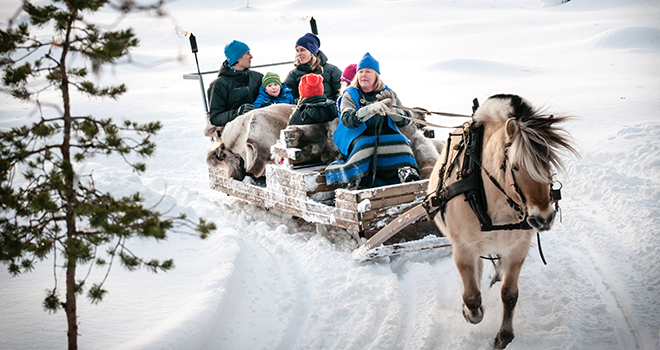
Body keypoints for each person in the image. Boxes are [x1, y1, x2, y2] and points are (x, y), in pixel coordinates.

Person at [325, 52, 420, 189]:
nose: (363, 75)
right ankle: (355, 178)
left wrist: (393, 111)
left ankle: (406, 173)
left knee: (401, 140)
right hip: (355, 135)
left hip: (384, 133)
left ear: (376, 75)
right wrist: (369, 110)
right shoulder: (350, 94)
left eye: (368, 71)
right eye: (361, 71)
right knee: (364, 145)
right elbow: (347, 120)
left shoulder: (387, 92)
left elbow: (405, 120)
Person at [207, 40, 263, 127]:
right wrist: (238, 112)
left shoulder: (257, 77)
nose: (251, 56)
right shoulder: (219, 85)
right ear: (237, 57)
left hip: (262, 126)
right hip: (235, 133)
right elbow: (215, 118)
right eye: (247, 53)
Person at [283, 33, 342, 102]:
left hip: (328, 109)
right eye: (297, 51)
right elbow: (288, 97)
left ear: (312, 51)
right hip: (304, 111)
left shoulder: (332, 71)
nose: (299, 54)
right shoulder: (293, 74)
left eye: (302, 50)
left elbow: (340, 94)